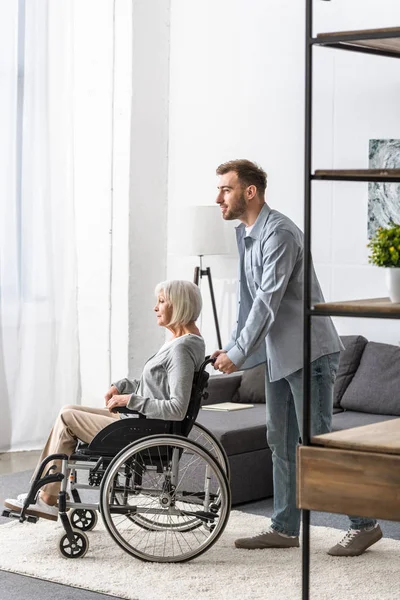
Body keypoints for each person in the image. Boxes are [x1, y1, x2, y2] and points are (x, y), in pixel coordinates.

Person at [212, 159, 382, 557]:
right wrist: (234, 344)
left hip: (310, 354)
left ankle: (365, 524)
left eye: (226, 189)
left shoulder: (280, 234)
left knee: (317, 442)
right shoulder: (247, 234)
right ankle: (285, 527)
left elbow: (268, 303)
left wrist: (238, 355)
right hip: (277, 355)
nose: (219, 196)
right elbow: (247, 300)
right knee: (279, 440)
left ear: (249, 192)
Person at [5, 280, 205, 521]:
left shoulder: (180, 349)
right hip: (141, 422)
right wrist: (121, 386)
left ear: (180, 306)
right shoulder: (180, 342)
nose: (155, 307)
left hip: (144, 431)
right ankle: (45, 491)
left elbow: (176, 408)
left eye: (161, 302)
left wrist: (130, 400)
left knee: (68, 418)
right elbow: (156, 386)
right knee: (68, 409)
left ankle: (47, 498)